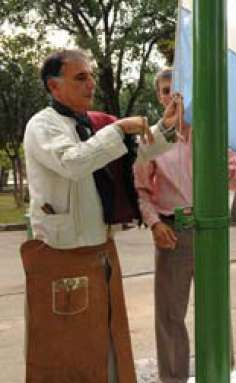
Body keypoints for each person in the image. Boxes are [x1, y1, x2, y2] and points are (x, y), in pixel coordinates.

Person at [22, 49, 181, 382]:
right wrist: (120, 129)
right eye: (80, 77)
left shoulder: (94, 123)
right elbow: (74, 162)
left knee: (108, 343)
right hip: (61, 255)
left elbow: (136, 151)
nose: (91, 84)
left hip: (100, 251)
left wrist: (165, 126)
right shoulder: (42, 126)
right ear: (54, 87)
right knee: (65, 351)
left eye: (91, 75)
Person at [133, 67, 236, 383]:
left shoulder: (213, 133)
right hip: (173, 233)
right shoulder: (150, 140)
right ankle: (173, 378)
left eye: (179, 90)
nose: (174, 97)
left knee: (216, 307)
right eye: (166, 91)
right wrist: (153, 224)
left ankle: (219, 372)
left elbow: (234, 178)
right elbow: (140, 189)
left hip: (211, 233)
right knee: (170, 314)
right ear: (158, 96)